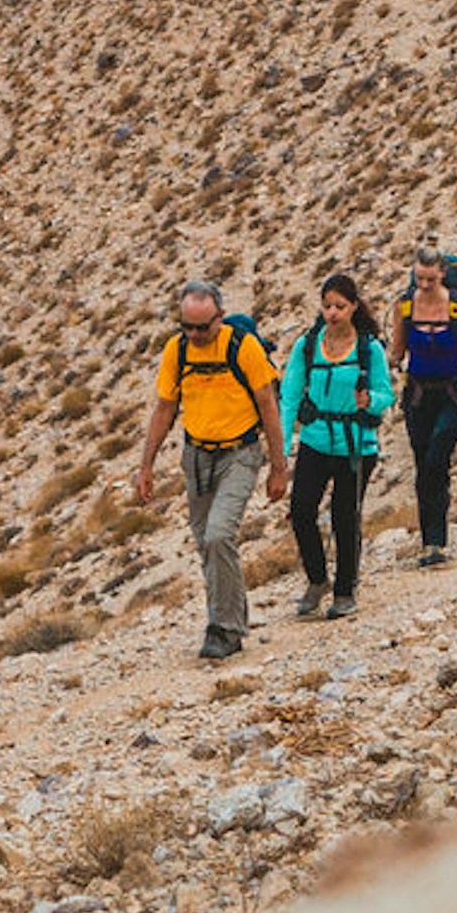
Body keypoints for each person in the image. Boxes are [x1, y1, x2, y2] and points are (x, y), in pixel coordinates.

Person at [131, 280, 289, 661]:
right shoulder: (178, 350)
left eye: (203, 327)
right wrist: (146, 465)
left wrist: (279, 467)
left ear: (221, 317)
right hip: (197, 457)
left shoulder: (242, 347)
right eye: (188, 326)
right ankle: (229, 616)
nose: (196, 335)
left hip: (240, 453)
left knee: (219, 535)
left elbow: (268, 406)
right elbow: (165, 408)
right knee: (206, 543)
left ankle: (225, 629)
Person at [281, 273, 394, 619]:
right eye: (327, 306)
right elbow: (289, 395)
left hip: (356, 444)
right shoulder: (309, 344)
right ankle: (317, 579)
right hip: (315, 439)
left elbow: (385, 395)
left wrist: (369, 401)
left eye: (339, 307)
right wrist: (283, 446)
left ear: (354, 307)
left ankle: (345, 590)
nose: (332, 313)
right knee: (301, 510)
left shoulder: (368, 348)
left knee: (346, 517)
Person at [389, 247, 457, 564]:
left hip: (453, 394)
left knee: (436, 457)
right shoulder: (404, 307)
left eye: (429, 279)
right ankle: (430, 543)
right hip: (418, 395)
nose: (423, 285)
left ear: (442, 274)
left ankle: (437, 541)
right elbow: (397, 352)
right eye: (418, 278)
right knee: (422, 462)